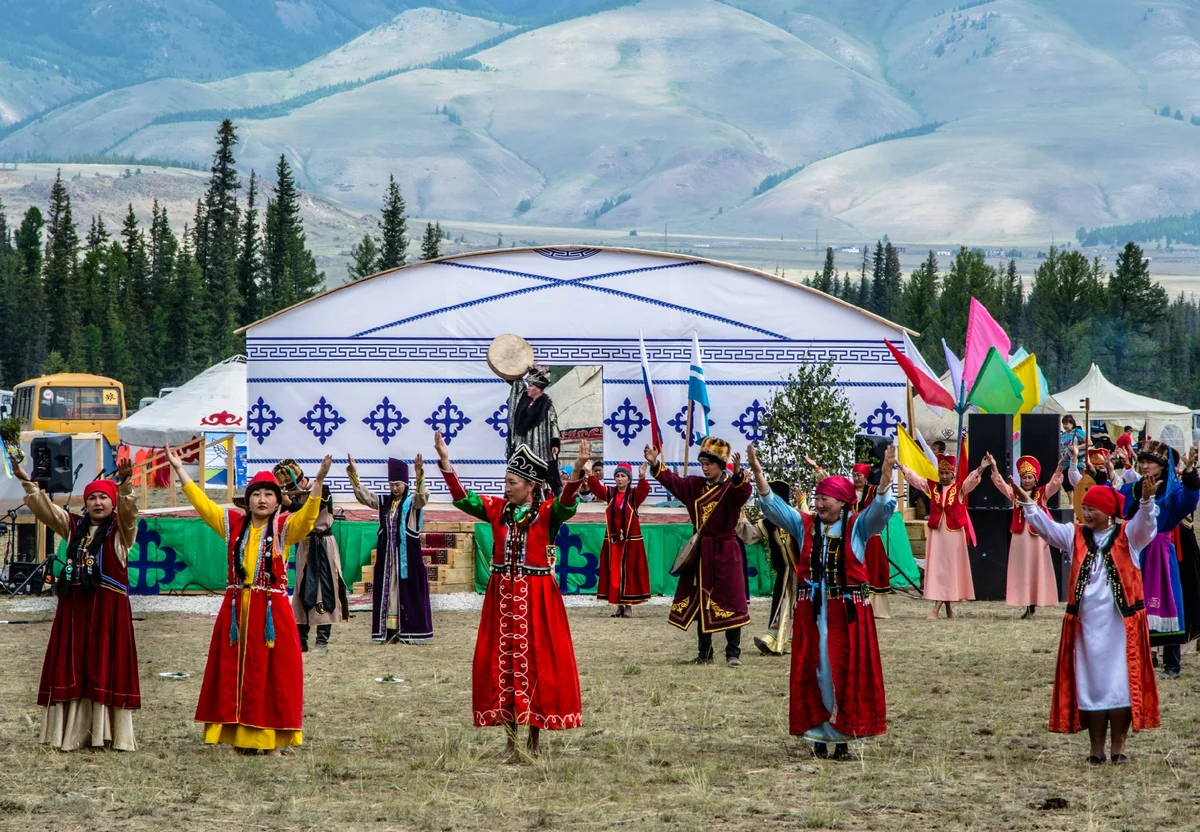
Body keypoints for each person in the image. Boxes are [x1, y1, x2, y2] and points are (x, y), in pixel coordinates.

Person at [167, 446, 330, 755]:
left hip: (271, 613)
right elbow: (203, 506)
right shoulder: (232, 524)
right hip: (236, 610)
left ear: (276, 501)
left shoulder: (284, 528)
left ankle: (270, 743)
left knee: (272, 675)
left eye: (269, 494)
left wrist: (318, 481)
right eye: (257, 494)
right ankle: (239, 738)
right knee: (234, 671)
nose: (263, 499)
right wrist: (180, 471)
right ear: (249, 500)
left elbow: (309, 515)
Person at [434, 431, 587, 757]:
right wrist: (446, 465)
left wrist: (575, 476)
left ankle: (533, 741)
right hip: (502, 600)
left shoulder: (546, 514)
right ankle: (509, 740)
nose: (506, 487)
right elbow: (465, 499)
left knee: (536, 665)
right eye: (505, 481)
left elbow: (567, 504)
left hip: (537, 600)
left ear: (531, 486)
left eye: (513, 482)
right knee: (503, 664)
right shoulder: (496, 510)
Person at [749, 442, 896, 760]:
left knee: (844, 672)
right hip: (812, 614)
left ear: (842, 502)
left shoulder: (858, 527)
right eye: (816, 498)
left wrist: (886, 476)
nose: (818, 503)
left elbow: (882, 510)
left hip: (848, 615)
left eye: (824, 498)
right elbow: (775, 508)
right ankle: (818, 736)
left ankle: (842, 740)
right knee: (816, 672)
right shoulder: (804, 526)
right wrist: (759, 474)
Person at [1013, 478, 1160, 764]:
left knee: (1119, 686)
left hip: (1121, 627)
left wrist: (1146, 502)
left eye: (1092, 508)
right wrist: (1028, 504)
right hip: (1087, 626)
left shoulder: (1129, 535)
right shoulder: (1074, 535)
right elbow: (1047, 529)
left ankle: (1118, 748)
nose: (1086, 514)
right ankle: (1096, 750)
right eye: (1083, 508)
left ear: (1108, 511)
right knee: (1092, 686)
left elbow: (1147, 526)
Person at [10, 456, 139, 751]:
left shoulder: (122, 530)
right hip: (75, 610)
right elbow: (46, 509)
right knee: (72, 665)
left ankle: (107, 733)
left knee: (105, 666)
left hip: (108, 612)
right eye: (92, 497)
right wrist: (25, 480)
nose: (97, 503)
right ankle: (70, 733)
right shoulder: (73, 527)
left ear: (112, 502)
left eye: (104, 497)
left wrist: (127, 483)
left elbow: (130, 512)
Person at [645, 436, 753, 666]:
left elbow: (742, 493)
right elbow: (673, 481)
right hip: (701, 553)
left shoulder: (730, 487)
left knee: (731, 600)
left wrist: (739, 479)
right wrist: (655, 464)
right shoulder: (694, 485)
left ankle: (733, 654)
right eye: (702, 463)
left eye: (710, 464)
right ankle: (705, 654)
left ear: (721, 465)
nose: (704, 468)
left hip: (726, 551)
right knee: (700, 601)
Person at [1118, 441, 1200, 680]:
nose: (1145, 466)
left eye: (1150, 462)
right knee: (1132, 604)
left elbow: (1188, 500)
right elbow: (1118, 505)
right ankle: (1137, 659)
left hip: (1159, 551)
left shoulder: (1173, 491)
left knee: (1166, 601)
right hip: (1133, 549)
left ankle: (1172, 665)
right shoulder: (1132, 488)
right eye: (1142, 461)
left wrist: (1192, 469)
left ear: (1163, 466)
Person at [348, 454, 432, 644]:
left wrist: (419, 475)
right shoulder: (386, 502)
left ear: (405, 484)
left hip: (407, 558)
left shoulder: (412, 502)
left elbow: (422, 498)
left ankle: (410, 631)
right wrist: (354, 476)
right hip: (387, 558)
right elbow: (366, 498)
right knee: (389, 590)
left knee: (407, 591)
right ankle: (391, 630)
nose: (394, 488)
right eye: (391, 484)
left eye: (398, 485)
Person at [273, 459, 348, 654]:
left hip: (323, 545)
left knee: (324, 589)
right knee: (301, 589)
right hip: (304, 546)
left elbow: (310, 514)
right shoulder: (292, 495)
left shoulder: (321, 489)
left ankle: (322, 641)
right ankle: (301, 641)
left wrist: (291, 505)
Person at [900, 454, 986, 620]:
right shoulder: (932, 488)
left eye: (947, 473)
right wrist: (902, 467)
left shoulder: (960, 488)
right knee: (940, 570)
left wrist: (981, 467)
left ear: (953, 474)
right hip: (937, 534)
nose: (944, 477)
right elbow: (915, 480)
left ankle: (936, 610)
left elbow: (972, 480)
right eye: (941, 473)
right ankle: (948, 610)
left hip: (954, 535)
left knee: (949, 569)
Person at [988, 453, 1063, 619]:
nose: (1027, 481)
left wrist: (1059, 467)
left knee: (1036, 568)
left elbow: (1055, 483)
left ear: (1035, 479)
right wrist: (993, 466)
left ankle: (1034, 603)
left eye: (1029, 477)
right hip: (1020, 537)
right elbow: (1000, 484)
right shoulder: (1014, 493)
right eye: (1024, 478)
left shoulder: (1042, 493)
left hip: (1037, 536)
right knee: (1023, 569)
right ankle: (1027, 603)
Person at [588, 460, 652, 617]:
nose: (620, 479)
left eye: (623, 476)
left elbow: (644, 491)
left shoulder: (633, 495)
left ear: (629, 479)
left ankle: (628, 606)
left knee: (629, 572)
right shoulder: (610, 493)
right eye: (617, 476)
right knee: (615, 572)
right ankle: (618, 605)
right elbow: (596, 489)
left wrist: (642, 477)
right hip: (614, 541)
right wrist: (590, 473)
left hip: (630, 541)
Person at [749, 480, 800, 656]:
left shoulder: (796, 518)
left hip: (801, 574)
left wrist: (804, 503)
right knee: (782, 603)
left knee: (795, 606)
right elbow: (749, 535)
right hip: (783, 574)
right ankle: (772, 639)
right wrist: (737, 515)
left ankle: (788, 641)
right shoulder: (768, 524)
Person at [506, 365, 562, 494]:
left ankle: (562, 500)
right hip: (524, 445)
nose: (528, 388)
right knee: (517, 471)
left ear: (538, 389)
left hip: (542, 447)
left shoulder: (547, 405)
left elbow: (553, 423)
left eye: (531, 386)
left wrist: (555, 441)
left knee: (551, 475)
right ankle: (509, 498)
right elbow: (517, 385)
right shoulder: (523, 400)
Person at [851, 463, 893, 619]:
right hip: (854, 538)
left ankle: (876, 608)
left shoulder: (873, 491)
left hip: (872, 538)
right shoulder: (848, 493)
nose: (856, 478)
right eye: (854, 475)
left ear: (866, 476)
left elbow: (885, 492)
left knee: (873, 570)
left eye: (859, 475)